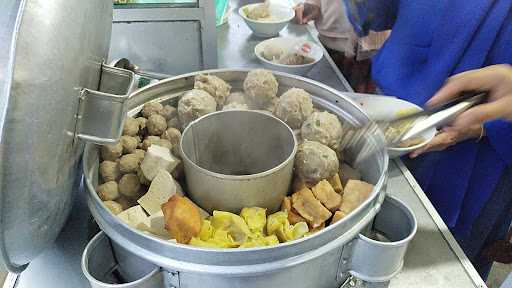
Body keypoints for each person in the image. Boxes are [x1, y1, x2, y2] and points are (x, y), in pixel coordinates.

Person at [342, 0, 512, 279]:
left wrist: (483, 125)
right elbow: (377, 13)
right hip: (387, 122)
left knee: (442, 269)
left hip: (485, 164)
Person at [294, 0, 389, 93]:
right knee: (318, 93)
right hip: (326, 46)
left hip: (366, 53)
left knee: (357, 100)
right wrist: (312, 5)